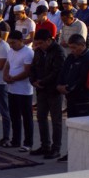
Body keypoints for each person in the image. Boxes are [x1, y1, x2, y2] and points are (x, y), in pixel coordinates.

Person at [56, 34, 89, 160]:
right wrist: (59, 85)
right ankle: (72, 152)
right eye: (70, 47)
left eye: (74, 47)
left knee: (83, 127)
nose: (72, 50)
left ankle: (85, 154)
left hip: (83, 99)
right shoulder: (71, 57)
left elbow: (83, 79)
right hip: (71, 99)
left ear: (82, 45)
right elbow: (63, 71)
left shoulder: (88, 58)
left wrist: (68, 88)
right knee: (72, 127)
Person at [30, 29, 64, 160]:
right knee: (41, 117)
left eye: (40, 43)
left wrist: (42, 81)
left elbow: (57, 71)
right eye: (37, 44)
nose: (38, 46)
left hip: (53, 90)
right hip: (41, 90)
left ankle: (56, 148)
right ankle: (45, 145)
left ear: (49, 40)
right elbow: (33, 67)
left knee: (56, 121)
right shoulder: (39, 51)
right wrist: (33, 80)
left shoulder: (58, 51)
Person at [2, 29, 34, 152]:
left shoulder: (28, 52)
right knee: (14, 116)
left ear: (21, 41)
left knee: (26, 118)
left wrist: (13, 79)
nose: (11, 45)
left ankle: (28, 143)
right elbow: (7, 65)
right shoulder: (11, 51)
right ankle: (15, 140)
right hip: (12, 89)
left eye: (13, 43)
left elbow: (27, 71)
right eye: (9, 43)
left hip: (24, 91)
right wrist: (5, 76)